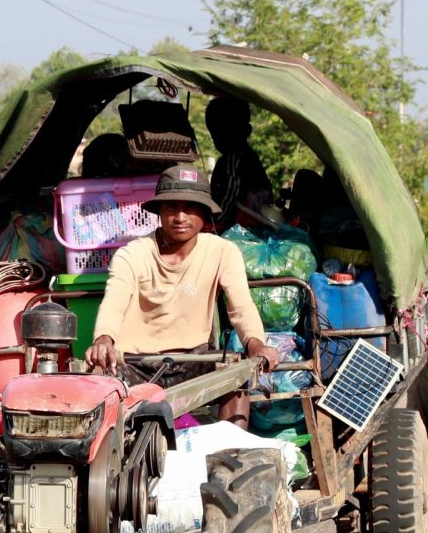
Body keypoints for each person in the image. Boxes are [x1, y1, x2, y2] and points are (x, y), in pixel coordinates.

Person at [85, 164, 281, 429]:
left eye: (190, 207)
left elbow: (241, 306)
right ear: (159, 213)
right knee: (97, 381)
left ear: (204, 213)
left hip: (194, 361)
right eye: (171, 207)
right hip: (134, 363)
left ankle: (227, 461)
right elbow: (114, 302)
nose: (180, 216)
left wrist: (255, 343)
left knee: (238, 376)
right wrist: (104, 339)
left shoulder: (223, 251)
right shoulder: (132, 254)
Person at [205, 97, 273, 230]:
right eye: (214, 135)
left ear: (246, 131)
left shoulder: (234, 160)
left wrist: (213, 222)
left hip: (237, 228)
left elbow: (230, 195)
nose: (217, 141)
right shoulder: (248, 158)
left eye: (222, 134)